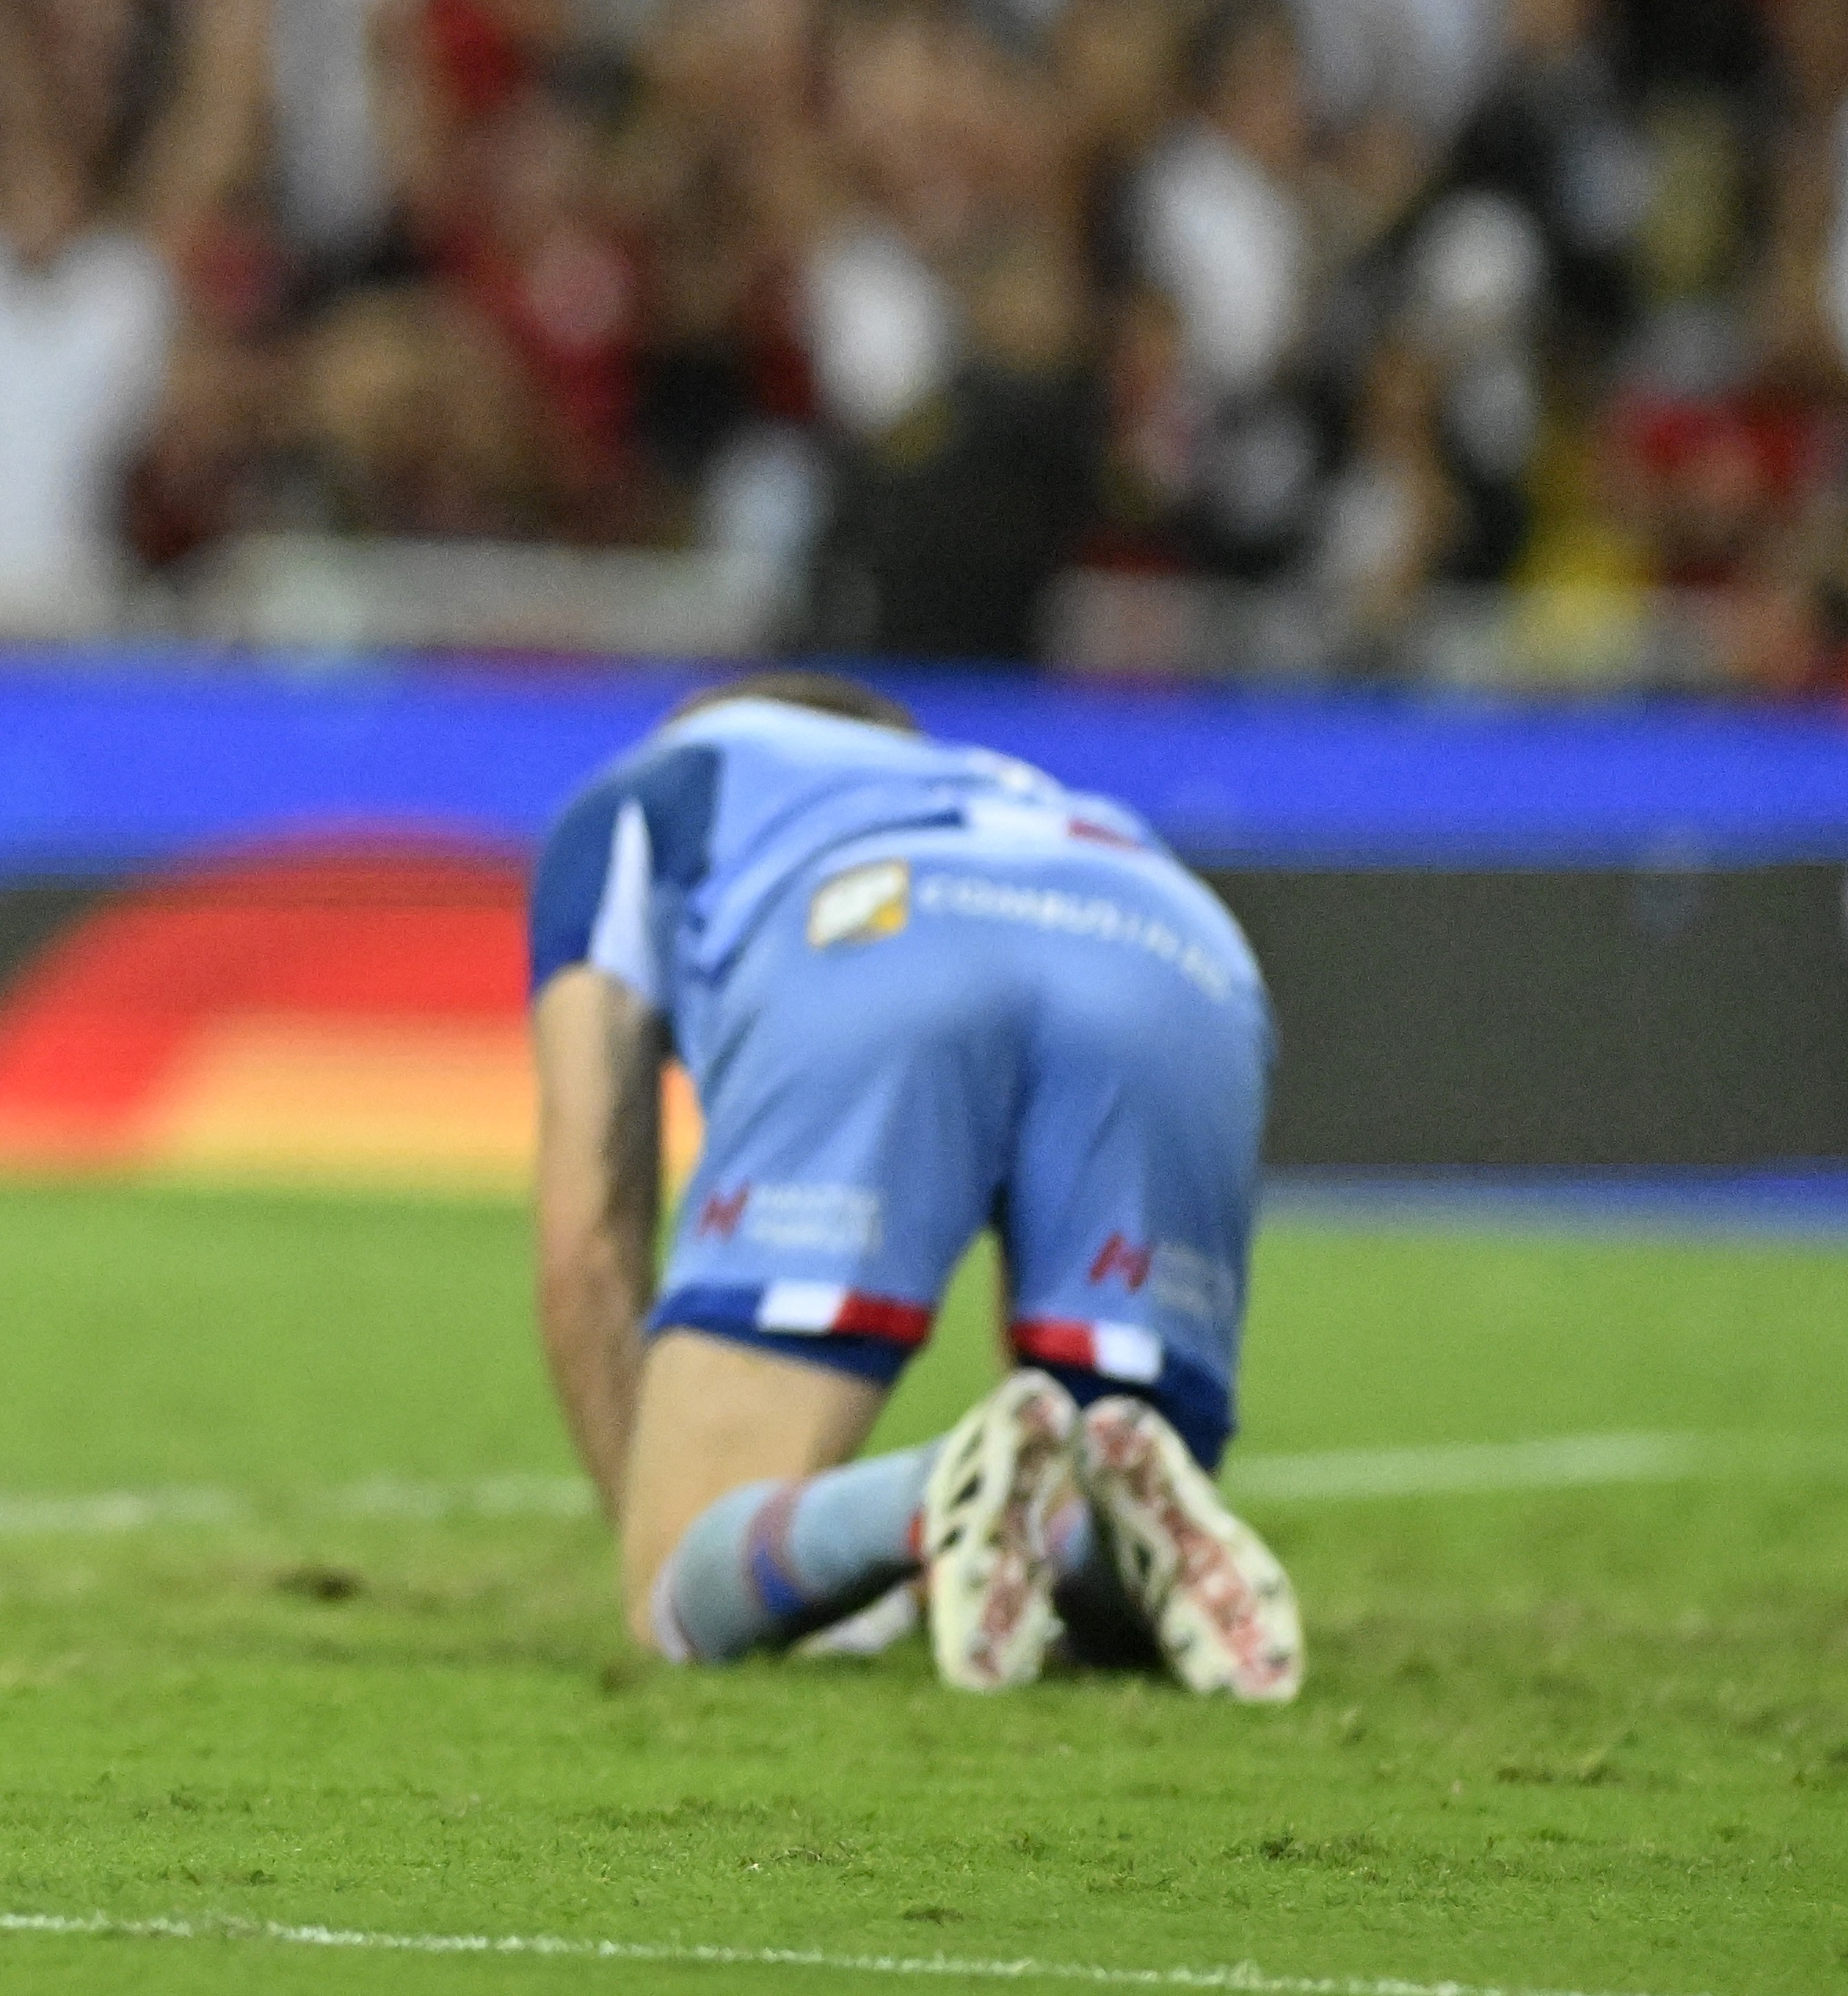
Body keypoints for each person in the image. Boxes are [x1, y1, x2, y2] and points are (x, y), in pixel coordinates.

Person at [527, 672, 1304, 1699]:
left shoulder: (655, 784)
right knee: (1123, 1523)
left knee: (679, 1584)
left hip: (878, 917)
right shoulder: (998, 781)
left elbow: (586, 1239)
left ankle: (930, 1498)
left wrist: (663, 1538)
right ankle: (1076, 1532)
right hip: (1173, 945)